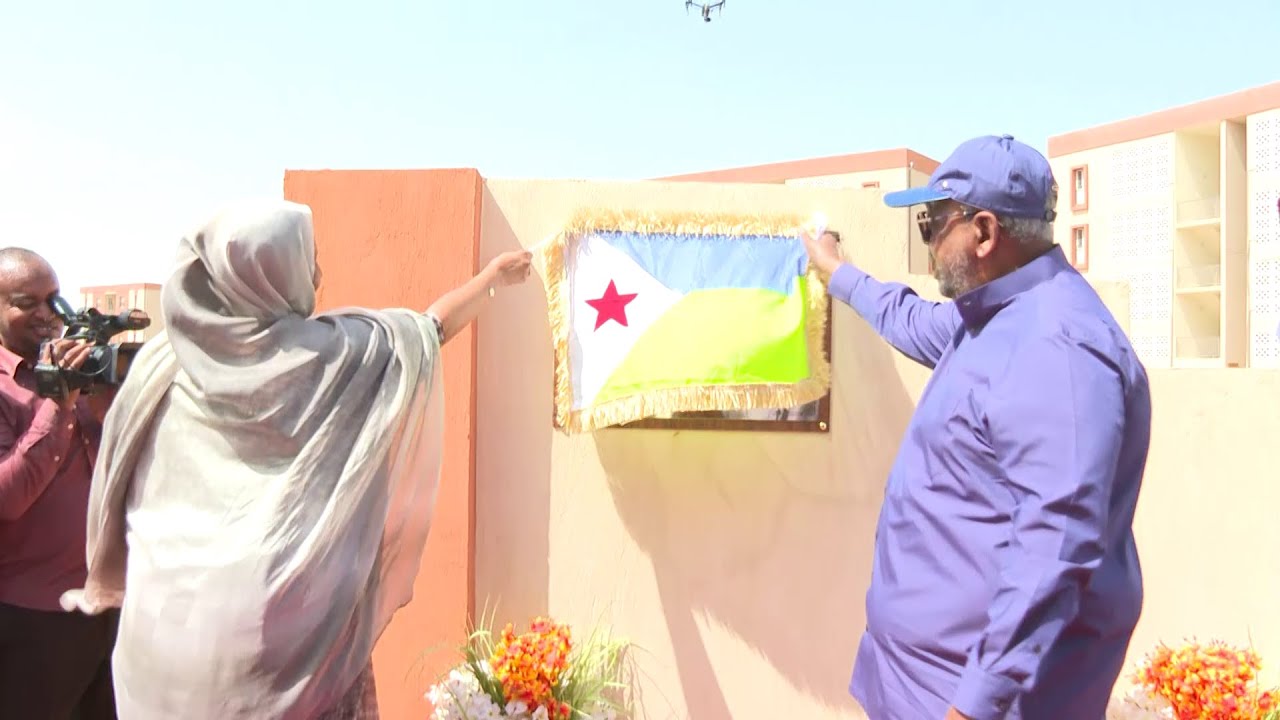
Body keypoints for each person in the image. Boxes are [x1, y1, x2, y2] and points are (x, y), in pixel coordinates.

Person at [58, 199, 533, 719]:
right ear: (271, 272)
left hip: (161, 646)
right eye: (308, 260)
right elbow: (429, 330)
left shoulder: (160, 360)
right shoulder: (331, 355)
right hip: (282, 657)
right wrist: (492, 277)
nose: (320, 273)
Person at [803, 135, 1152, 720]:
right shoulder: (996, 318)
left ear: (985, 232)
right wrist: (838, 272)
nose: (929, 246)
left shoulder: (1056, 347)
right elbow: (911, 320)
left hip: (969, 701)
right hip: (916, 681)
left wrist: (975, 704)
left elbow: (1056, 545)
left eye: (932, 226)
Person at [0, 247, 119, 719]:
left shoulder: (78, 366)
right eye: (26, 302)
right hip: (32, 619)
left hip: (103, 609)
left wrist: (107, 392)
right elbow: (8, 498)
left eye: (53, 299)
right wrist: (58, 403)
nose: (47, 314)